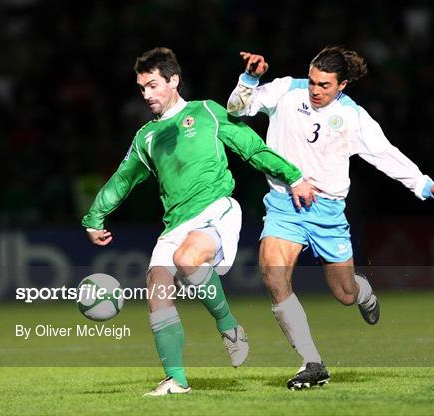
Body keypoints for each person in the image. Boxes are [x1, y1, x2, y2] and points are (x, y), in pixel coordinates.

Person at [227, 46, 434, 390]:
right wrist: (250, 78)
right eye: (312, 81)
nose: (315, 90)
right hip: (285, 204)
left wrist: (426, 186)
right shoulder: (285, 90)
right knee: (273, 275)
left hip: (327, 211)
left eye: (324, 85)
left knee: (344, 293)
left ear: (342, 86)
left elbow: (385, 155)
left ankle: (364, 293)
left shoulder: (354, 117)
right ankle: (312, 362)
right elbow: (237, 109)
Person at [82, 47, 315, 396]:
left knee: (187, 259)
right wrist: (95, 216)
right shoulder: (146, 136)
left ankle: (229, 326)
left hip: (215, 209)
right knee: (157, 290)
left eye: (152, 85)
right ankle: (176, 380)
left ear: (173, 81)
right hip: (175, 223)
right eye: (142, 88)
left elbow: (252, 148)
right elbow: (123, 179)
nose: (146, 94)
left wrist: (293, 176)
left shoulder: (206, 111)